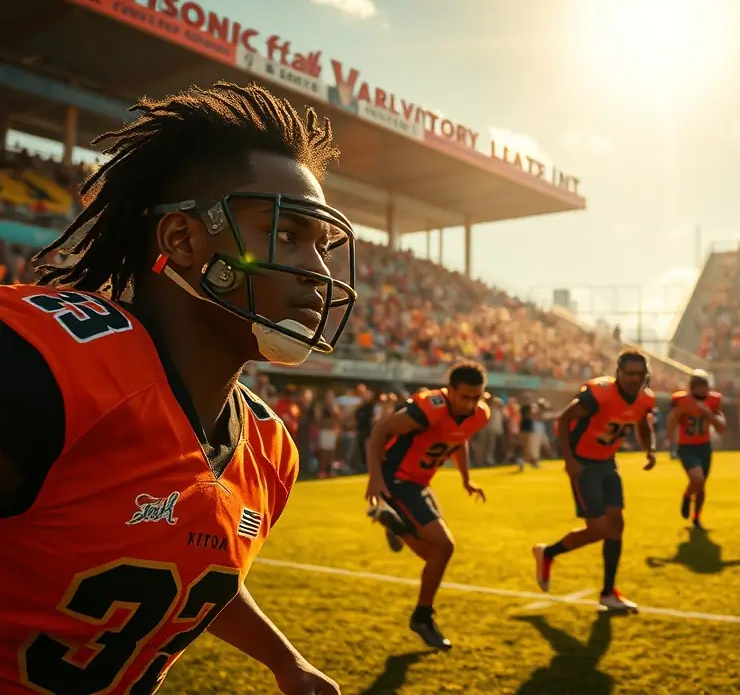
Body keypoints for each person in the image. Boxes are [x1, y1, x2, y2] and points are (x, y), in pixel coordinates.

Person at [0, 82, 357, 694]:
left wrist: (283, 660)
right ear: (183, 240)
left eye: (322, 248)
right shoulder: (44, 367)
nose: (319, 275)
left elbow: (189, 567)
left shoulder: (269, 450)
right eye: (288, 235)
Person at [364, 361, 490, 651]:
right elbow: (381, 430)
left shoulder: (479, 413)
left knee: (433, 553)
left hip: (420, 482)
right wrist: (375, 479)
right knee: (444, 546)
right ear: (450, 391)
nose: (471, 403)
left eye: (477, 397)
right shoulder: (430, 408)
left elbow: (459, 440)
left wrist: (466, 480)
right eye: (465, 397)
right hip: (395, 479)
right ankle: (422, 617)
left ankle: (394, 523)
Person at [532, 349, 657, 613]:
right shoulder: (599, 394)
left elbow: (642, 423)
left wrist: (650, 448)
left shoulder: (645, 399)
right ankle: (548, 553)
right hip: (584, 463)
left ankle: (608, 592)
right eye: (629, 373)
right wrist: (569, 460)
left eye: (640, 374)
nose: (635, 379)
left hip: (608, 461)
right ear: (618, 373)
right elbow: (565, 419)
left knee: (617, 524)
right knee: (599, 528)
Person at [665, 370, 725, 529]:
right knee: (697, 480)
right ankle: (686, 497)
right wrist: (671, 439)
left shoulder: (713, 400)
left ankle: (696, 517)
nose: (702, 390)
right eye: (698, 386)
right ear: (692, 387)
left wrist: (709, 414)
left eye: (704, 386)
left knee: (701, 486)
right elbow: (672, 419)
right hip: (687, 447)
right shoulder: (682, 400)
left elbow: (721, 427)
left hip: (705, 447)